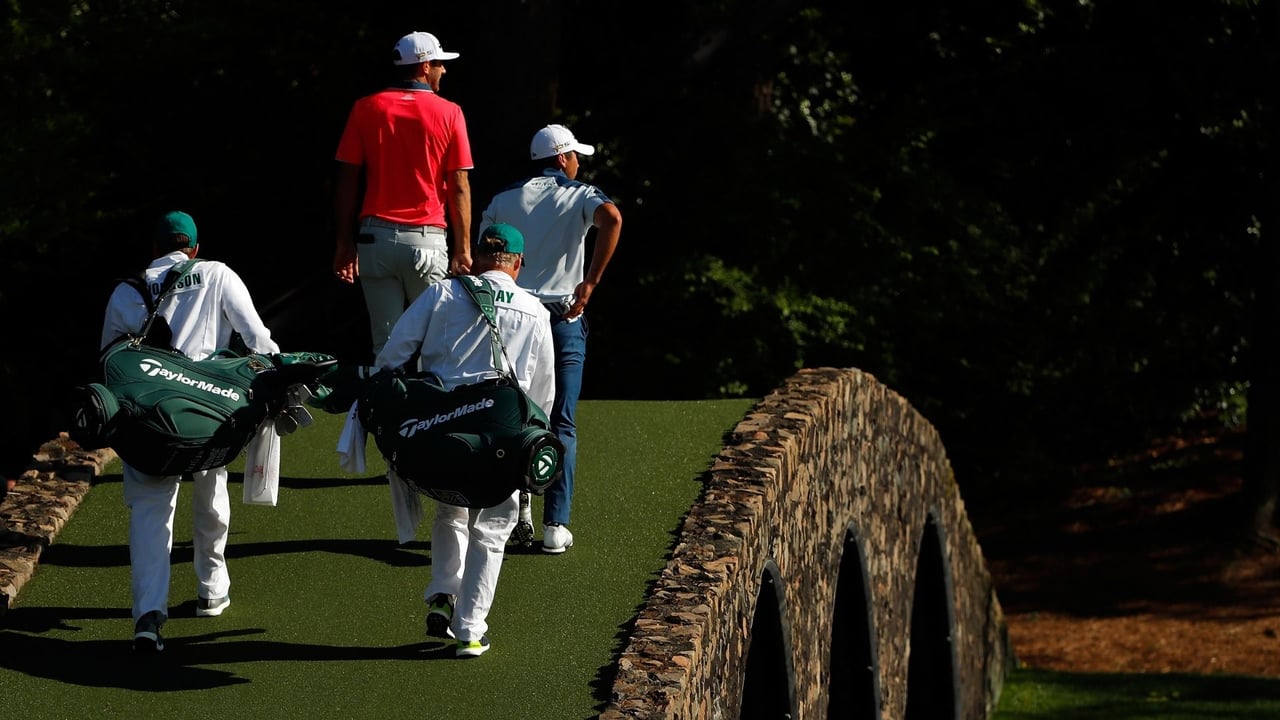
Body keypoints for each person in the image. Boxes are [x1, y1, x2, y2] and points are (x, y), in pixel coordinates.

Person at [100, 210, 280, 653]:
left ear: (154, 249)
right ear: (195, 248)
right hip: (207, 409)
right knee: (212, 491)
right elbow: (258, 340)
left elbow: (109, 363)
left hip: (146, 419)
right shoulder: (216, 273)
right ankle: (212, 587)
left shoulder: (125, 291)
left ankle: (147, 617)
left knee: (149, 511)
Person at [373, 223, 553, 658]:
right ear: (518, 263)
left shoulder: (442, 292)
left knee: (450, 511)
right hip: (503, 433)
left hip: (442, 426)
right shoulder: (535, 310)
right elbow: (543, 393)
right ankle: (470, 629)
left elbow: (395, 353)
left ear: (476, 255)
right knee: (494, 526)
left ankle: (441, 591)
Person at [478, 123, 622, 554]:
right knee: (562, 421)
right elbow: (612, 218)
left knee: (510, 414)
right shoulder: (579, 195)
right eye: (575, 156)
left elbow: (483, 254)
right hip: (563, 316)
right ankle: (555, 526)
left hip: (513, 319)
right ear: (562, 158)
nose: (577, 163)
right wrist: (591, 283)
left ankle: (509, 507)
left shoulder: (503, 199)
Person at [332, 30, 474, 361]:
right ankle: (432, 413)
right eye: (439, 63)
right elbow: (460, 184)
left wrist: (343, 243)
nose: (444, 70)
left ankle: (384, 411)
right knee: (435, 343)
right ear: (424, 66)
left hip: (373, 239)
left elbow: (347, 181)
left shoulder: (366, 107)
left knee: (386, 344)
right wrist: (463, 248)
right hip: (426, 240)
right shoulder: (450, 112)